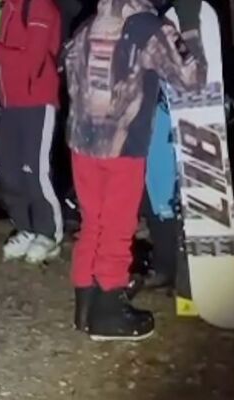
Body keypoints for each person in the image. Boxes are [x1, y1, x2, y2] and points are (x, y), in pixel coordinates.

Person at [63, 0, 206, 341]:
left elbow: (67, 69)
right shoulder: (146, 27)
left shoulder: (88, 25)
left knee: (93, 223)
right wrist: (189, 23)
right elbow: (192, 77)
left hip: (82, 144)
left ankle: (85, 305)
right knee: (117, 226)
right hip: (123, 147)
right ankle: (109, 313)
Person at [0, 0, 64, 264]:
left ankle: (49, 233)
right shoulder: (3, 8)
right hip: (10, 103)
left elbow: (34, 59)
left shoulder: (40, 6)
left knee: (35, 170)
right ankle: (25, 226)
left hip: (38, 101)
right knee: (8, 170)